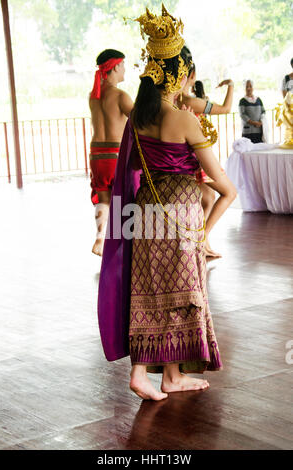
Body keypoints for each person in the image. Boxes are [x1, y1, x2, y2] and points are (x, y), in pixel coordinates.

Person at [97, 5, 237, 401]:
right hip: (180, 215)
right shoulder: (185, 119)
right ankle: (146, 375)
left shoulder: (139, 117)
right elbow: (226, 188)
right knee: (181, 297)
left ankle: (170, 376)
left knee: (151, 292)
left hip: (145, 210)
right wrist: (204, 233)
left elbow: (140, 165)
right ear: (178, 73)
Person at [178, 45, 235, 258]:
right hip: (197, 159)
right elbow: (226, 109)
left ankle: (204, 240)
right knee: (229, 193)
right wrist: (231, 86)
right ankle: (201, 237)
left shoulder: (174, 100)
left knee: (209, 197)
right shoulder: (192, 101)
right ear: (191, 75)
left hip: (182, 158)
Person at [89, 49, 133, 256]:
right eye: (123, 65)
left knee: (104, 199)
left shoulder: (94, 95)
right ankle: (121, 246)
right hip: (116, 154)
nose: (125, 69)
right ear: (115, 66)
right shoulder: (120, 96)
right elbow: (141, 122)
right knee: (124, 200)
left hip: (97, 154)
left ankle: (99, 238)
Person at [239, 79, 265, 144]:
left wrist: (261, 122)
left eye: (250, 86)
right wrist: (254, 123)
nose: (248, 88)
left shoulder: (258, 100)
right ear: (244, 88)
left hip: (259, 131)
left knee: (259, 151)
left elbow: (263, 112)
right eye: (246, 87)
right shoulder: (242, 101)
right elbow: (242, 115)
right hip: (248, 132)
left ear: (253, 87)